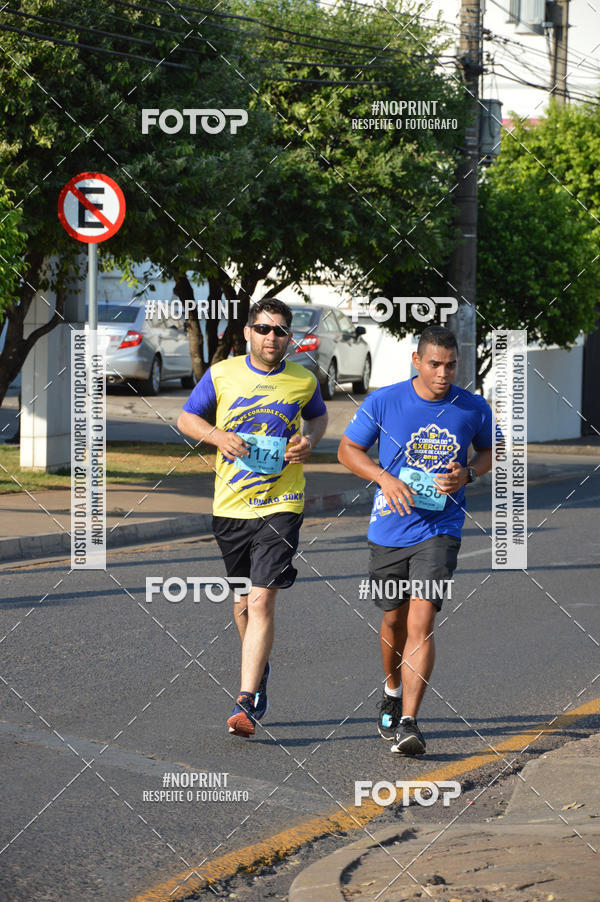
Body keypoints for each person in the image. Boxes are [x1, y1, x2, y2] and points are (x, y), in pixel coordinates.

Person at [337, 325, 493, 755]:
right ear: (416, 361)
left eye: (451, 366)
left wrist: (468, 473)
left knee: (421, 621)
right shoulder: (385, 401)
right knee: (394, 619)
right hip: (389, 528)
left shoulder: (473, 407)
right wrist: (384, 478)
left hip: (441, 529)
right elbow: (348, 449)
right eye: (435, 364)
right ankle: (391, 688)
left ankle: (409, 721)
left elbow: (490, 450)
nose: (444, 374)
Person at [178, 298, 328, 737]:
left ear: (289, 338)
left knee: (262, 600)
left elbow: (318, 420)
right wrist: (217, 436)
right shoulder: (222, 373)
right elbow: (186, 418)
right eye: (263, 328)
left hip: (282, 502)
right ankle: (257, 669)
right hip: (231, 505)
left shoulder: (303, 379)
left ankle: (245, 700)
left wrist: (309, 441)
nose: (271, 337)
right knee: (243, 602)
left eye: (280, 330)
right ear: (248, 332)